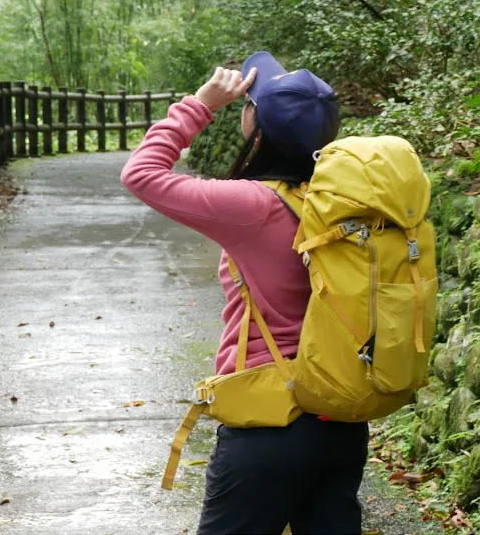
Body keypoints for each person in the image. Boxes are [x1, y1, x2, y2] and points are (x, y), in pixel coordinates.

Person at [120, 51, 369, 535]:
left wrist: (199, 104)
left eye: (249, 103)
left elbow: (142, 174)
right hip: (341, 420)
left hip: (272, 422)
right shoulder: (345, 202)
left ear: (259, 127)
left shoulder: (253, 205)